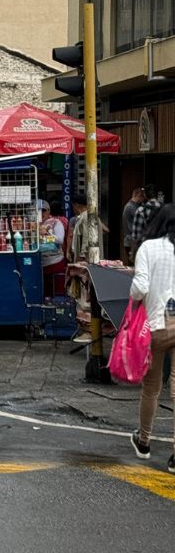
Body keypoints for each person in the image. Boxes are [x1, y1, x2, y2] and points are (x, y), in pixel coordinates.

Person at [127, 203, 175, 473]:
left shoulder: (148, 248)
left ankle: (144, 442)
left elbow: (140, 287)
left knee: (152, 387)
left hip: (155, 327)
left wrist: (135, 295)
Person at [39, 201, 66, 297]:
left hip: (55, 262)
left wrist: (47, 234)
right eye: (37, 210)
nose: (40, 213)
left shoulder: (55, 222)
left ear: (49, 211)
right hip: (39, 264)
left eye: (43, 210)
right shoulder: (31, 224)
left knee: (57, 294)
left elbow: (60, 240)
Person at [130, 184, 164, 257]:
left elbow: (136, 235)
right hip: (162, 251)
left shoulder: (141, 210)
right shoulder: (166, 210)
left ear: (145, 195)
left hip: (146, 250)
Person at [123, 187, 145, 265]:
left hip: (130, 241)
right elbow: (143, 219)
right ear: (139, 196)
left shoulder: (132, 206)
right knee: (134, 265)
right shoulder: (131, 207)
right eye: (143, 198)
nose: (143, 200)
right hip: (131, 241)